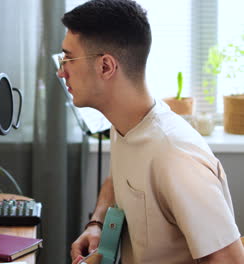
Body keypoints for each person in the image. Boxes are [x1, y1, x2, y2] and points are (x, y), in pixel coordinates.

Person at [57, 0, 244, 263]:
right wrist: (96, 224)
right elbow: (117, 179)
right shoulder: (124, 124)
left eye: (68, 58)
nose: (61, 71)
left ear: (106, 67)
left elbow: (230, 260)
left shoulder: (175, 155)